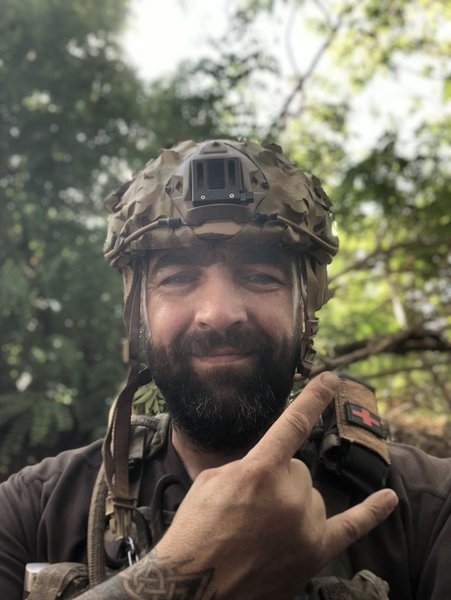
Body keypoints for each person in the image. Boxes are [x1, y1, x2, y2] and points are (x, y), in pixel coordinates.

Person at [0, 139, 449, 600]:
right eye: (178, 278)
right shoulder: (30, 511)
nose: (218, 313)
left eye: (259, 276)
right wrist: (179, 573)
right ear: (138, 313)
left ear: (305, 309)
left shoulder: (429, 506)